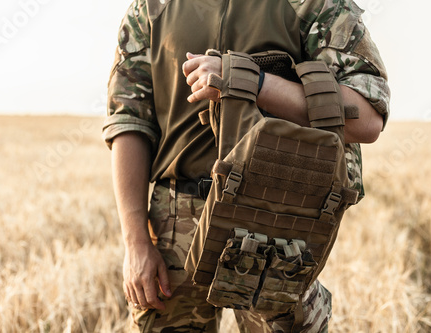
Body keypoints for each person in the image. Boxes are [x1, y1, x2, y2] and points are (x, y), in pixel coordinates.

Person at [102, 0, 390, 331]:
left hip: (278, 220)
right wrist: (136, 243)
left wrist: (250, 82)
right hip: (173, 222)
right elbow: (129, 121)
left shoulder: (313, 5)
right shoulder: (152, 7)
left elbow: (365, 117)